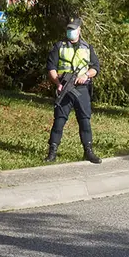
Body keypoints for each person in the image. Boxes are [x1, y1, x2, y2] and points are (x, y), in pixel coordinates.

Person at [44, 17, 102, 164]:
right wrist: (57, 83)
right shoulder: (59, 46)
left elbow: (95, 67)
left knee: (84, 121)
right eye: (68, 29)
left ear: (79, 30)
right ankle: (52, 151)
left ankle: (88, 151)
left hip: (81, 88)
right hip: (64, 87)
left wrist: (86, 75)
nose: (70, 32)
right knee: (59, 121)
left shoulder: (87, 47)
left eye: (73, 29)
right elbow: (51, 67)